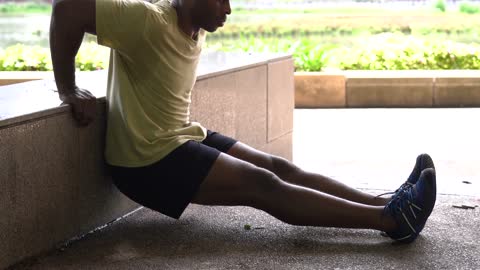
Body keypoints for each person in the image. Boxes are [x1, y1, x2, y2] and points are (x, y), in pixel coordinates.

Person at [50, 0, 436, 244]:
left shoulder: (194, 29)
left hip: (178, 138)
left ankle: (385, 201)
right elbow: (67, 8)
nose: (229, 9)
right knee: (262, 184)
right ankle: (389, 221)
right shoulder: (148, 19)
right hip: (146, 161)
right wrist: (67, 88)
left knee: (277, 165)